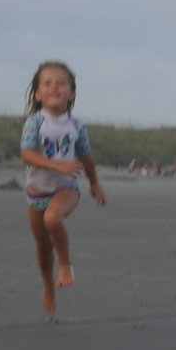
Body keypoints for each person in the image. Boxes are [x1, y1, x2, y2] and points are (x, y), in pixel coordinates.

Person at [19, 61, 107, 316]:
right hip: (37, 192)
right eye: (47, 83)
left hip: (67, 188)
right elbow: (26, 154)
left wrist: (95, 184)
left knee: (53, 218)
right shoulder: (35, 123)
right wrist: (56, 165)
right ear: (38, 94)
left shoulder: (77, 126)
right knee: (43, 247)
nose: (54, 87)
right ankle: (48, 286)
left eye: (61, 83)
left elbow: (87, 157)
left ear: (72, 94)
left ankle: (66, 264)